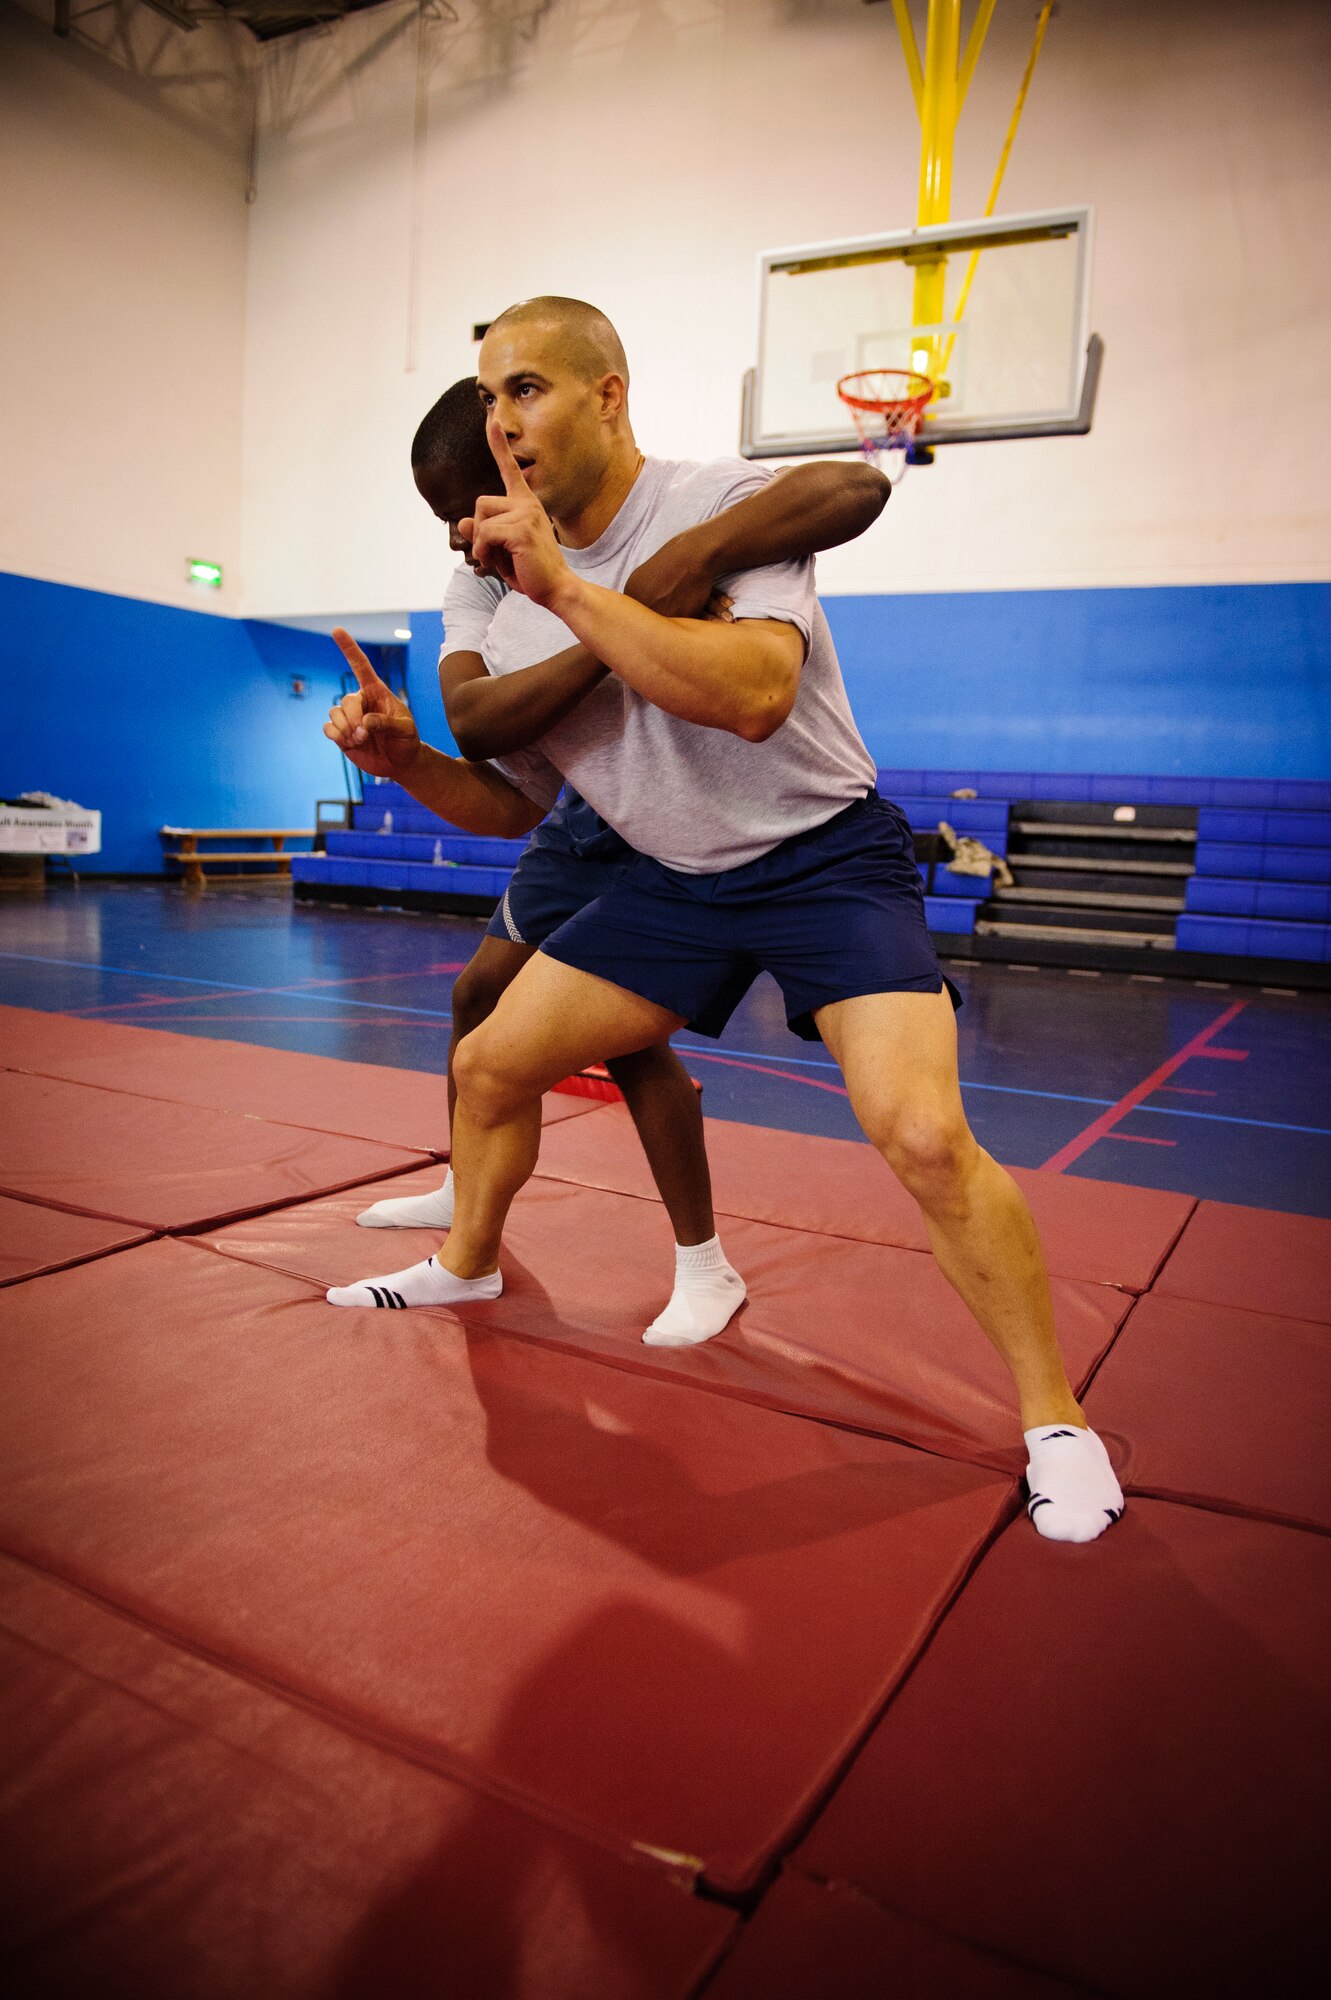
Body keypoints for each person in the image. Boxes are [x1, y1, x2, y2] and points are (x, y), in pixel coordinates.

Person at [335, 296, 1123, 1542]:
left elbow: (756, 692)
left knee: (919, 1132)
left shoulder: (718, 505)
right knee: (488, 1057)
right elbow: (509, 801)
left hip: (823, 858)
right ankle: (469, 1257)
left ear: (607, 392)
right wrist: (404, 767)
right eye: (487, 398)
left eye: (527, 388)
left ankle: (1055, 1420)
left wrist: (584, 594)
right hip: (669, 878)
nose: (501, 423)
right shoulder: (508, 598)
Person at [329, 376, 890, 1344]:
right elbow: (473, 717)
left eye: (465, 505)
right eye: (440, 518)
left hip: (669, 807)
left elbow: (849, 492)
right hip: (574, 799)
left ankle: (702, 1259)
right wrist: (607, 626)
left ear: (527, 466)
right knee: (479, 1004)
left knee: (628, 1041)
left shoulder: (652, 506)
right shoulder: (484, 577)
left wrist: (666, 570)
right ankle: (470, 1213)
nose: (456, 535)